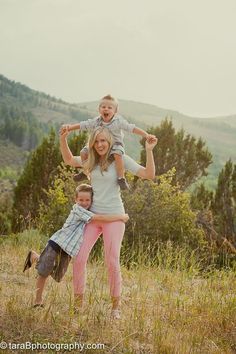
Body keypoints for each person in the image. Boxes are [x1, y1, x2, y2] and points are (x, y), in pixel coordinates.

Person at [60, 125, 157, 319]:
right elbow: (69, 160)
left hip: (114, 217)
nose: (100, 144)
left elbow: (149, 174)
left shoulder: (119, 159)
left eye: (104, 140)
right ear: (92, 144)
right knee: (78, 258)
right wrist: (63, 138)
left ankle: (115, 307)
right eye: (96, 141)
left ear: (110, 141)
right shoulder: (91, 161)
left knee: (111, 261)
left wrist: (148, 151)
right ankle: (78, 305)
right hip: (93, 217)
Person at [23, 183, 129, 307]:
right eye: (81, 200)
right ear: (75, 200)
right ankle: (38, 301)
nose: (84, 202)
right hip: (57, 244)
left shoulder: (87, 209)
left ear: (91, 201)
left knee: (57, 275)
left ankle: (35, 257)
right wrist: (121, 216)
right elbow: (99, 217)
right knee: (44, 272)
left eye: (87, 200)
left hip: (68, 250)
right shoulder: (78, 210)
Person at [61, 94, 155, 190]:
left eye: (110, 107)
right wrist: (69, 128)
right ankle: (86, 172)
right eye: (103, 107)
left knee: (118, 155)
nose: (106, 109)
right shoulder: (96, 123)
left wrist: (146, 136)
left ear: (115, 111)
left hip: (116, 145)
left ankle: (121, 178)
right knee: (83, 152)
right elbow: (83, 125)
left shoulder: (118, 122)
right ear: (99, 109)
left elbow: (132, 128)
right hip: (96, 204)